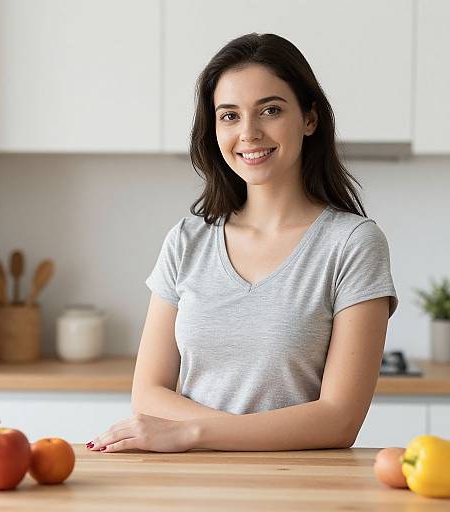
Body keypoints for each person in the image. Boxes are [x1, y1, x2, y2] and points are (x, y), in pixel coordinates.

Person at [86, 33, 398, 453]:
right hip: (195, 487)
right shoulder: (186, 240)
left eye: (270, 110)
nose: (249, 132)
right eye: (229, 116)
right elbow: (147, 393)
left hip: (301, 488)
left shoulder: (353, 245)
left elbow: (339, 420)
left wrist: (190, 432)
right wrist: (234, 435)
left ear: (309, 118)